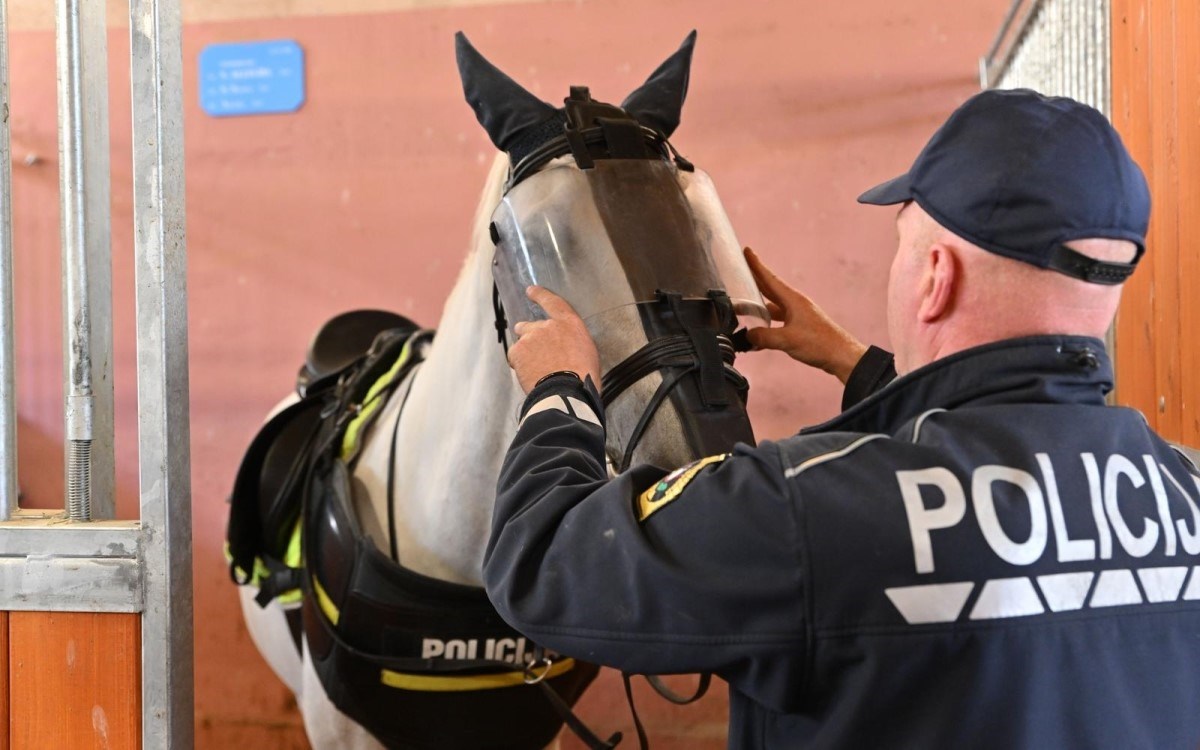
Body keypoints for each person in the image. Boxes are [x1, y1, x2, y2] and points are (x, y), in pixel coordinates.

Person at [483, 88, 1200, 748]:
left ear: (936, 278)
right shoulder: (1184, 489)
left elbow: (542, 560)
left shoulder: (806, 507)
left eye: (902, 248)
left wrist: (560, 389)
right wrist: (851, 363)